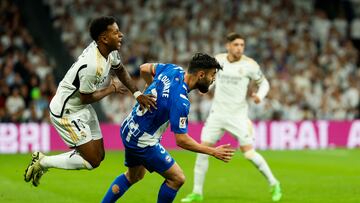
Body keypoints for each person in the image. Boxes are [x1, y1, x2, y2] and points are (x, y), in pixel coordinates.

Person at [23, 16, 156, 187]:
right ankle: (43, 161)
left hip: (82, 106)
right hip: (67, 112)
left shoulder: (109, 50)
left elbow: (120, 69)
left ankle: (45, 161)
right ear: (104, 38)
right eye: (116, 32)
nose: (121, 35)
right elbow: (86, 96)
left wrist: (137, 93)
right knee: (91, 160)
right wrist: (110, 89)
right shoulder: (91, 66)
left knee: (98, 156)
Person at [101, 53, 235, 203]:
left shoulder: (173, 69)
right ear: (201, 74)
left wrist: (149, 86)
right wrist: (213, 151)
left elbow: (144, 68)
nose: (213, 80)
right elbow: (181, 140)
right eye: (212, 75)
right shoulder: (180, 101)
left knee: (133, 176)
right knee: (177, 178)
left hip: (129, 128)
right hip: (143, 141)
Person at [181, 33, 282, 202]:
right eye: (236, 44)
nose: (239, 48)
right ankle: (197, 192)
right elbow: (209, 78)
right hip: (217, 115)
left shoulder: (250, 65)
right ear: (228, 46)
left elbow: (264, 83)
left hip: (238, 116)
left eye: (242, 45)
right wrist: (205, 87)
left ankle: (274, 183)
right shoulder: (218, 60)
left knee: (249, 154)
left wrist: (260, 95)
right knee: (202, 151)